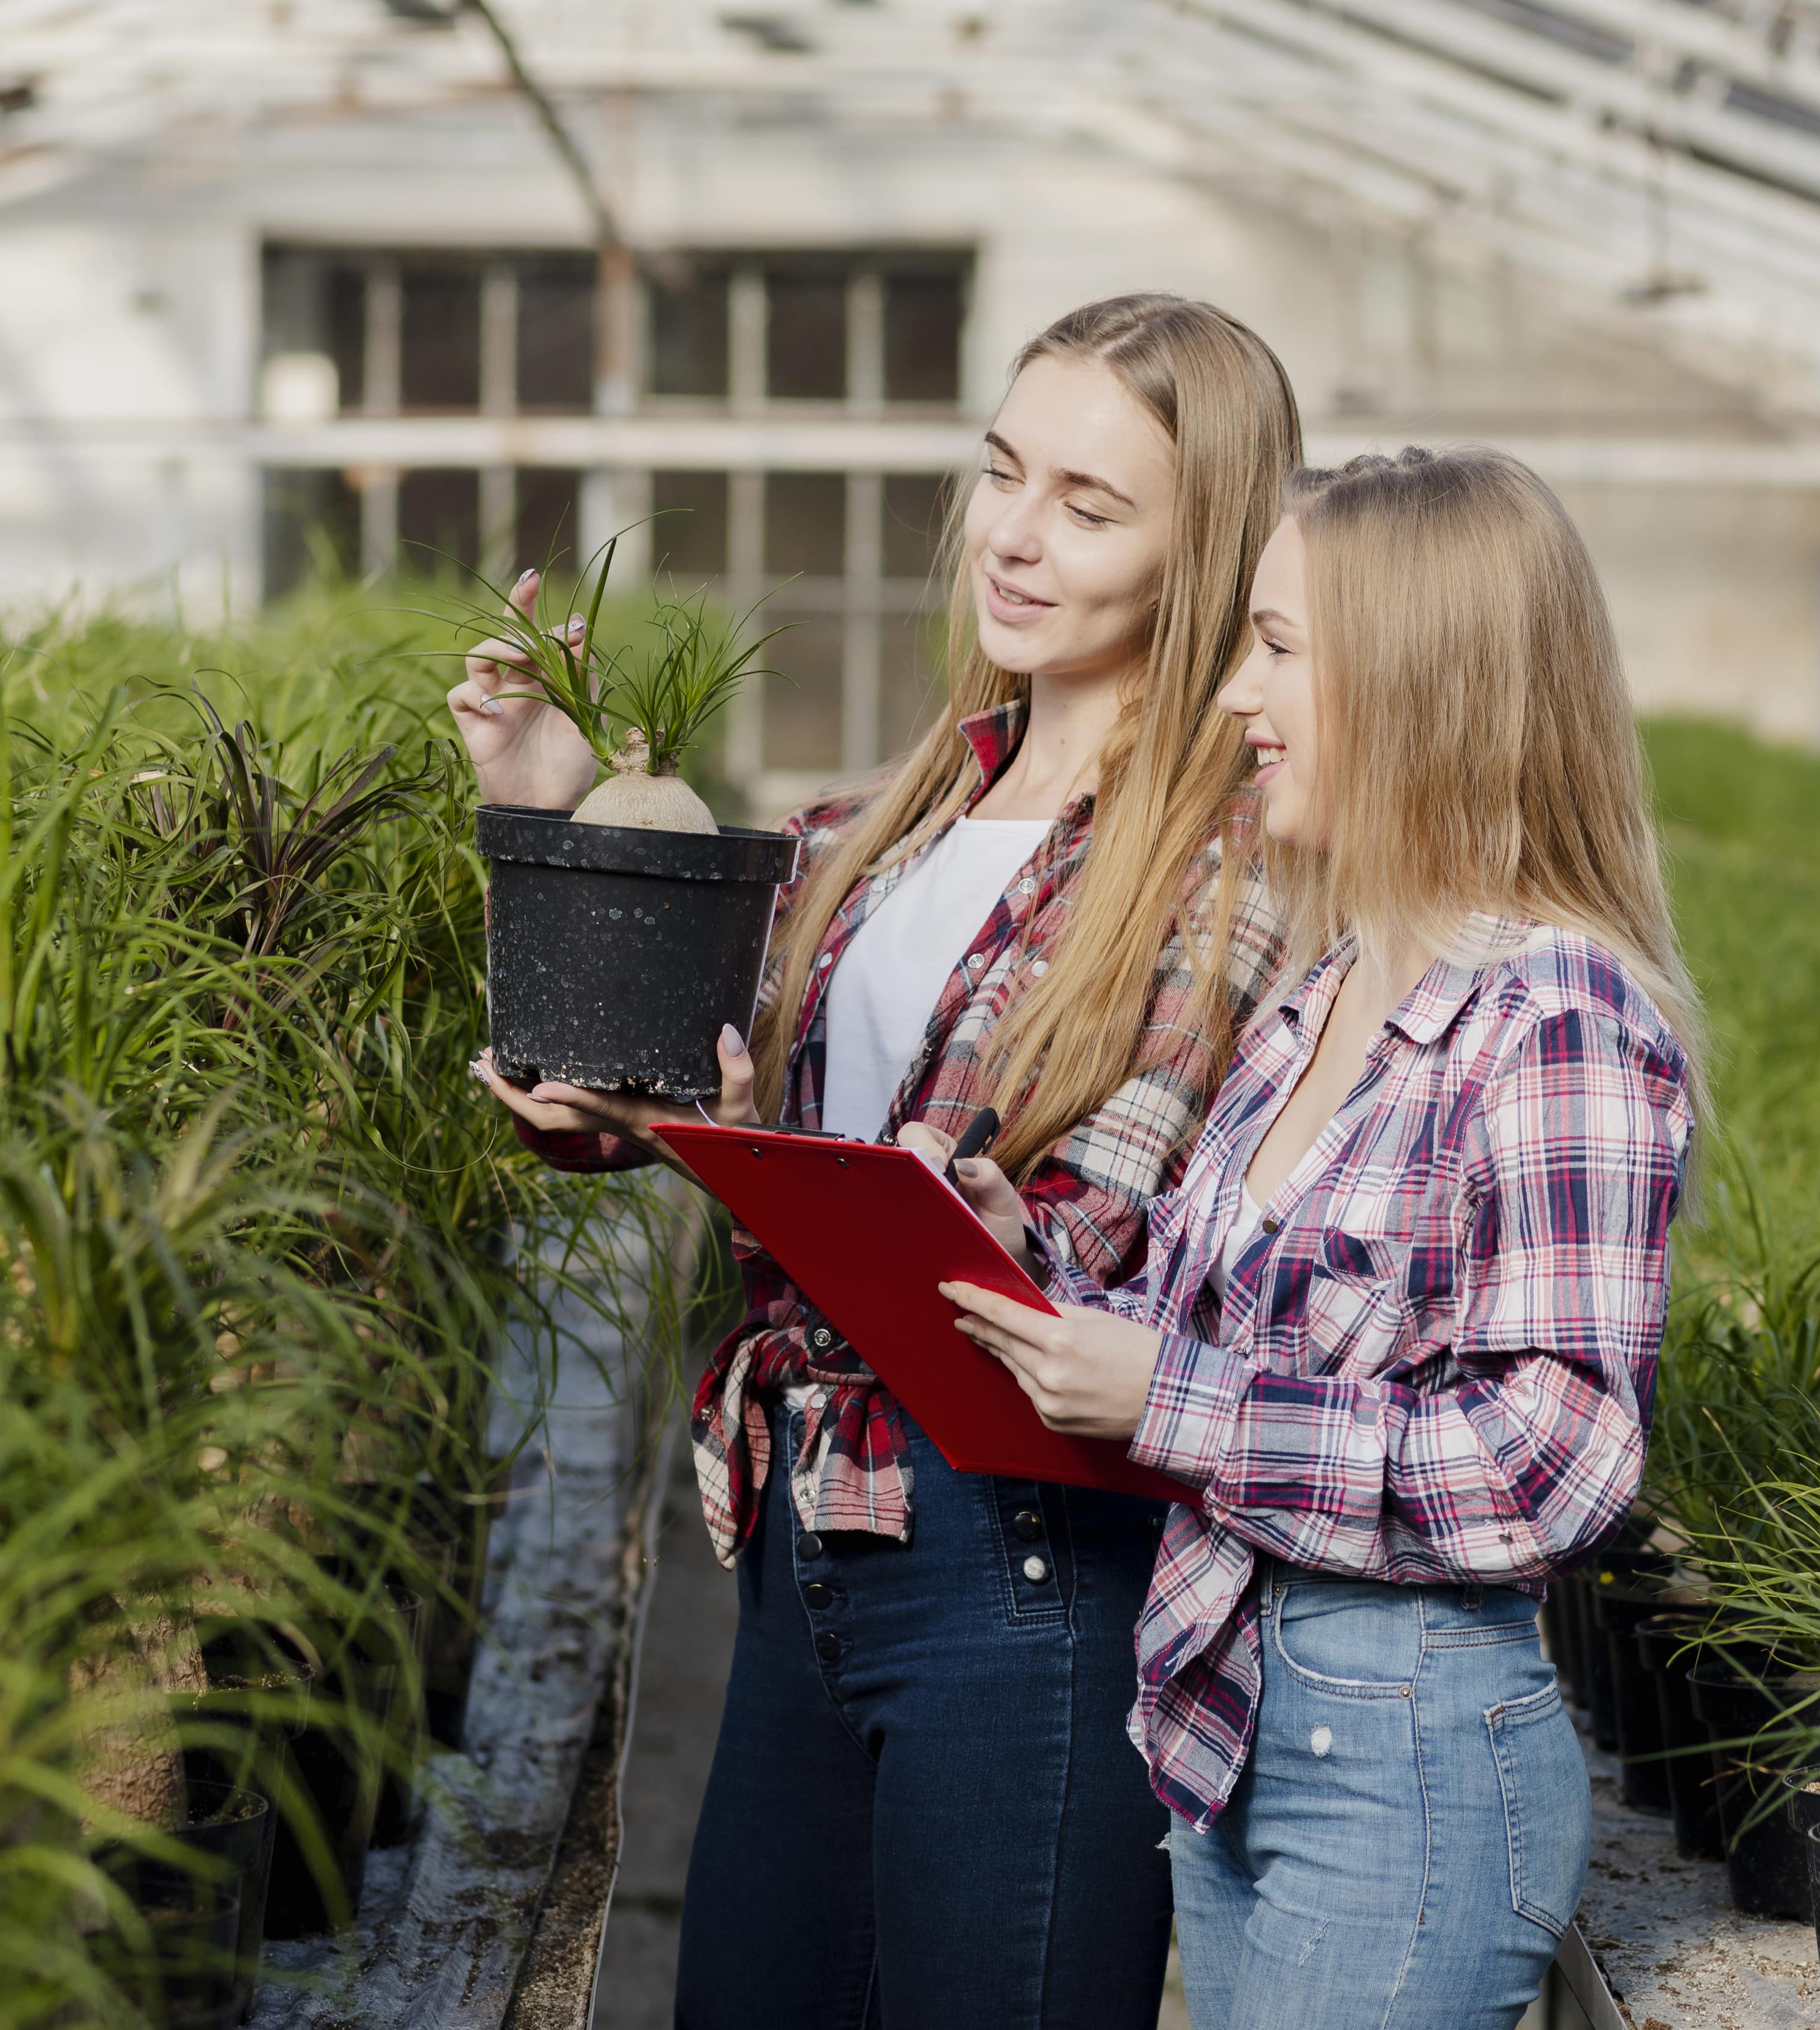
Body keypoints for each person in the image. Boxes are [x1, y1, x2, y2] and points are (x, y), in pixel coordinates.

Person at [451, 294, 1299, 2030]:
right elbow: (724, 1103)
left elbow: (1072, 1246)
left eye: (1088, 502)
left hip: (1025, 1566)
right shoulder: (875, 823)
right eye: (1001, 471)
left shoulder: (1228, 866)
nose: (1011, 533)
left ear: (1202, 546)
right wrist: (561, 828)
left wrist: (781, 1169)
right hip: (804, 1534)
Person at [938, 446, 1702, 2030]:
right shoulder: (1323, 994)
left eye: (1277, 646)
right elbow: (1219, 1333)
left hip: (1405, 1754)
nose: (1231, 693)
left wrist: (1168, 1402)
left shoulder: (1554, 1016)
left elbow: (1553, 1460)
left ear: (1420, 678)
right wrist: (1040, 1273)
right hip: (1239, 1720)